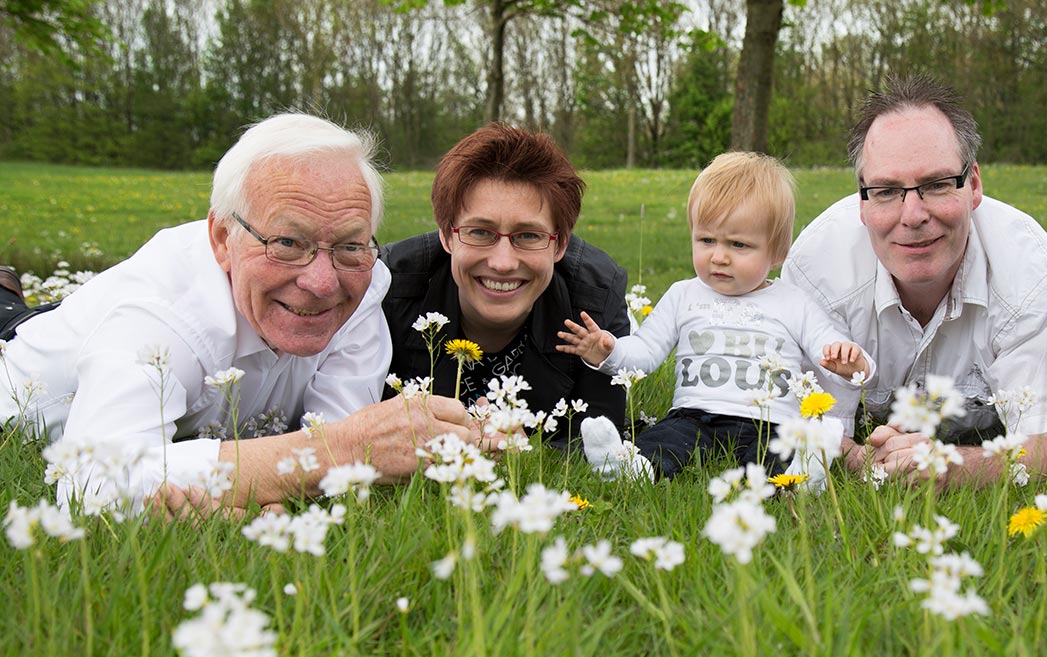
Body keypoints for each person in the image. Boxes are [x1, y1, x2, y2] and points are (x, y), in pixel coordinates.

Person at [0, 113, 484, 518]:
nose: (322, 283)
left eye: (349, 244)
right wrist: (338, 452)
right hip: (21, 349)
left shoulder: (362, 284)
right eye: (287, 243)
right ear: (221, 239)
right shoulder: (159, 313)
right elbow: (92, 484)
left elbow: (333, 449)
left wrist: (285, 478)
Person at [782, 75, 1047, 485]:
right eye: (886, 191)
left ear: (973, 185)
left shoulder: (1028, 272)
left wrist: (956, 467)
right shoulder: (818, 271)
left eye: (937, 185)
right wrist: (864, 462)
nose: (913, 216)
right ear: (862, 200)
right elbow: (793, 414)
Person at [557, 152, 871, 478]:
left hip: (771, 421)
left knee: (773, 457)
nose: (719, 257)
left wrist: (853, 363)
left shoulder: (793, 301)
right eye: (706, 240)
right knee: (666, 440)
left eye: (738, 245)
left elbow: (829, 347)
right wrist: (609, 351)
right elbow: (646, 352)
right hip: (695, 416)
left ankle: (805, 470)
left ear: (777, 251)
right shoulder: (684, 295)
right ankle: (632, 467)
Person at [379, 124, 630, 449]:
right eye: (480, 232)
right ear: (446, 235)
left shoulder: (594, 294)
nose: (503, 262)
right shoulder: (389, 288)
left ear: (560, 244)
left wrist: (529, 453)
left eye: (528, 235)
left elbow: (602, 443)